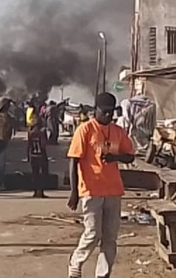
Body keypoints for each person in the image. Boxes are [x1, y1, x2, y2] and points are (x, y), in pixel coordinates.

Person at [67, 92, 135, 278]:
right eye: (104, 112)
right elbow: (73, 161)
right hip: (91, 190)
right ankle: (76, 261)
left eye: (111, 112)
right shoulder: (85, 129)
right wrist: (74, 192)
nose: (108, 116)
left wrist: (116, 157)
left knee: (110, 238)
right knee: (92, 234)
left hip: (113, 190)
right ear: (95, 110)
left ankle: (102, 274)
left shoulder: (118, 131)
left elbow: (130, 155)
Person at [27, 119, 49, 198]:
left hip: (33, 155)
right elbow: (44, 144)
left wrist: (28, 156)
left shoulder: (30, 132)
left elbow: (29, 145)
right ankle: (41, 191)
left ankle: (36, 191)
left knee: (35, 174)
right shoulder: (42, 132)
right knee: (43, 174)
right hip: (41, 155)